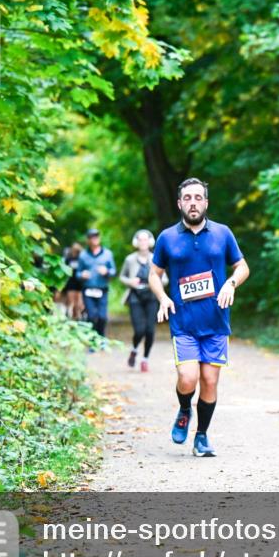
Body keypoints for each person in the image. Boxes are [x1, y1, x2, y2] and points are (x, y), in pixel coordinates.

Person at [149, 178, 250, 458]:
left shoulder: (223, 233)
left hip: (216, 322)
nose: (193, 203)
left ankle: (202, 437)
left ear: (206, 202)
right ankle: (184, 409)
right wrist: (163, 297)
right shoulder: (167, 238)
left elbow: (242, 266)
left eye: (198, 198)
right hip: (184, 322)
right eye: (188, 198)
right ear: (180, 203)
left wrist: (230, 284)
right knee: (188, 377)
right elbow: (153, 275)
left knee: (209, 381)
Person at [120, 229, 163, 372]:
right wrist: (130, 282)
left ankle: (145, 359)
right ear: (136, 242)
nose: (143, 242)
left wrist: (155, 283)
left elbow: (165, 279)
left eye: (145, 239)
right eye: (140, 240)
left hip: (151, 297)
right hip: (135, 298)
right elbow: (122, 277)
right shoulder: (129, 259)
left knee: (150, 330)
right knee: (139, 330)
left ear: (150, 242)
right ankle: (134, 349)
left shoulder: (156, 259)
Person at [77, 228, 116, 340]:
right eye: (92, 237)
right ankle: (93, 340)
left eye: (96, 236)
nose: (94, 239)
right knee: (91, 316)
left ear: (99, 238)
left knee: (102, 317)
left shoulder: (107, 254)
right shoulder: (83, 255)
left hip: (102, 290)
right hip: (88, 290)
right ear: (88, 240)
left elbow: (113, 272)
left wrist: (107, 272)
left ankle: (101, 337)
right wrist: (82, 275)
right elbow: (77, 274)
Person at [61, 242, 85, 320]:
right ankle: (71, 316)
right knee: (71, 302)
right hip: (70, 282)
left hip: (79, 282)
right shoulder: (68, 259)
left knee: (79, 302)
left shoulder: (81, 259)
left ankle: (77, 316)